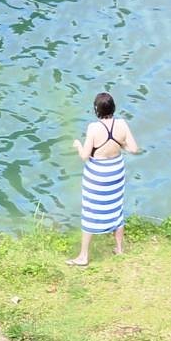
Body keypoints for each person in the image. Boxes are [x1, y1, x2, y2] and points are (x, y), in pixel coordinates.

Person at [68, 92, 140, 266]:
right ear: (113, 108)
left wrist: (78, 144)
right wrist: (121, 143)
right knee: (116, 207)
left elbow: (85, 156)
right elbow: (134, 149)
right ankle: (119, 249)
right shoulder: (122, 124)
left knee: (90, 211)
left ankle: (83, 256)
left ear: (96, 110)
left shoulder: (93, 128)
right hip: (116, 171)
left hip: (97, 174)